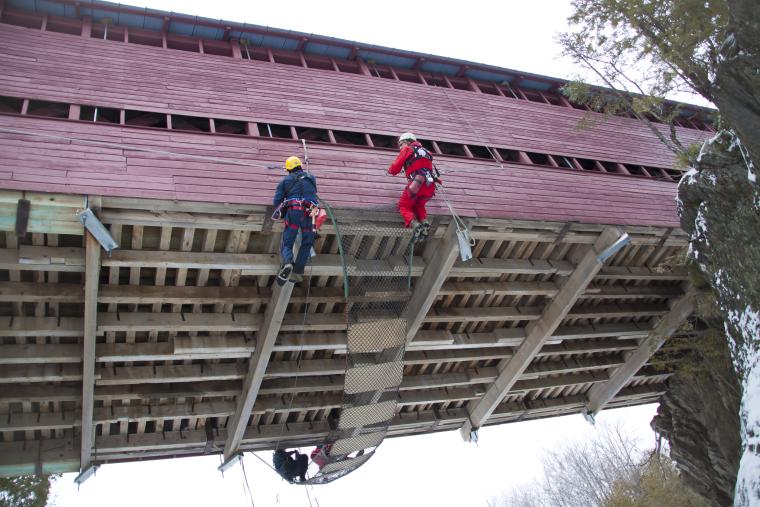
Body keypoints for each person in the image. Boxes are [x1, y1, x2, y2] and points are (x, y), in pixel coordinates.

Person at [273, 156, 318, 284]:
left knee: (287, 242)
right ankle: (298, 270)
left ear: (289, 169)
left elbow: (277, 201)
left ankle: (287, 262)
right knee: (307, 243)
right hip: (310, 213)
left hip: (294, 212)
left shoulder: (285, 181)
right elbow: (313, 193)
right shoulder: (311, 178)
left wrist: (282, 214)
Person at [387, 132, 439, 241]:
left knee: (404, 206)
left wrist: (390, 171)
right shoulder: (427, 152)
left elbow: (395, 168)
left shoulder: (407, 149)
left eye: (401, 144)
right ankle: (424, 223)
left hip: (416, 183)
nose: (400, 147)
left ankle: (415, 225)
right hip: (430, 185)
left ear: (407, 142)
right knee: (419, 206)